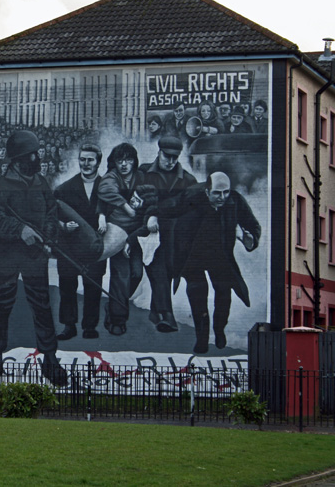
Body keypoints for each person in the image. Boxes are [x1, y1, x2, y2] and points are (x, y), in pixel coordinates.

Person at [0, 130, 68, 386]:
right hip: (7, 257)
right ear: (20, 158)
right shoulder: (0, 185)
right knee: (1, 305)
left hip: (34, 256)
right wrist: (20, 230)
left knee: (42, 306)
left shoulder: (41, 183)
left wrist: (49, 237)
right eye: (33, 154)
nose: (37, 157)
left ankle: (50, 359)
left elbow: (51, 213)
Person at [157, 172, 261, 354]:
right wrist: (151, 216)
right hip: (192, 255)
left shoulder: (234, 201)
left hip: (219, 255)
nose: (222, 198)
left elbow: (252, 224)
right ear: (207, 191)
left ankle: (219, 329)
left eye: (225, 192)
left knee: (224, 294)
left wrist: (251, 237)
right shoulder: (191, 197)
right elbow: (167, 208)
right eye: (217, 193)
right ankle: (202, 338)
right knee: (198, 295)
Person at [139, 136, 198, 332]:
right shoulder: (143, 172)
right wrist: (150, 215)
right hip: (148, 233)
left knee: (168, 272)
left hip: (176, 237)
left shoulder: (188, 180)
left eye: (175, 157)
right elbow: (135, 199)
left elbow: (193, 210)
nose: (171, 161)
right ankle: (167, 316)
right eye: (167, 156)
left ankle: (156, 311)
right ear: (159, 152)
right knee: (159, 271)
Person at [53, 144, 106, 341]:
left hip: (95, 248)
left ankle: (90, 326)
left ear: (98, 162)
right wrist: (64, 227)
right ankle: (69, 326)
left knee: (93, 286)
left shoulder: (107, 188)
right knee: (67, 286)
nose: (86, 163)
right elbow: (50, 218)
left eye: (90, 159)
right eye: (82, 159)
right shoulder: (63, 189)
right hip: (69, 247)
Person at [97, 143, 146, 336]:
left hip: (138, 233)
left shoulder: (141, 176)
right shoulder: (111, 177)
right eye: (120, 160)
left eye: (129, 160)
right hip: (117, 231)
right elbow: (105, 191)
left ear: (134, 161)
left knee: (136, 274)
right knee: (121, 276)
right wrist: (125, 206)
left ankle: (114, 305)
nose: (124, 164)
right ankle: (117, 319)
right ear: (115, 162)